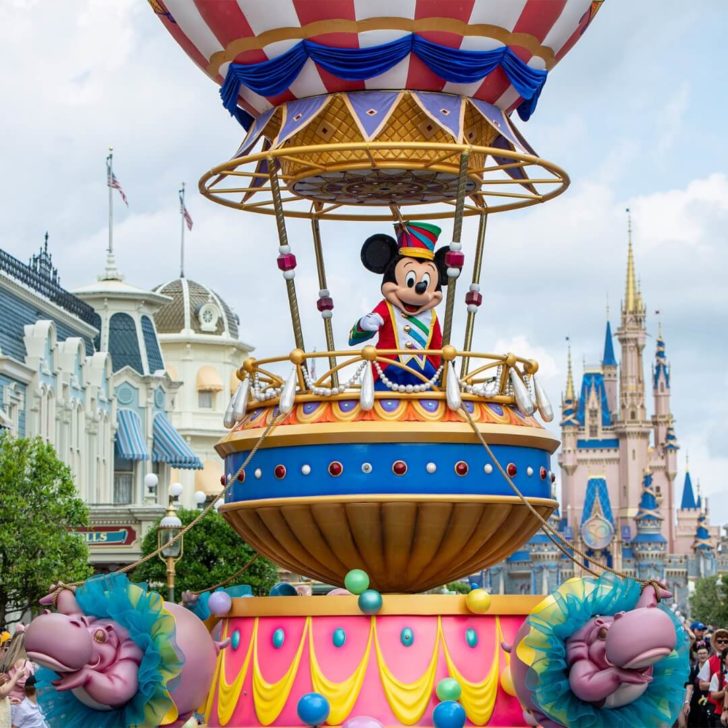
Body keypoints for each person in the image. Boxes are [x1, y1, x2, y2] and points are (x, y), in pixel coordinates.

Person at [682, 644, 714, 727]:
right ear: (697, 655)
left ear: (708, 654)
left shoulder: (713, 668)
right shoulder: (692, 669)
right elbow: (689, 687)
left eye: (704, 653)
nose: (702, 655)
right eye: (700, 653)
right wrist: (687, 702)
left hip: (711, 699)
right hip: (696, 700)